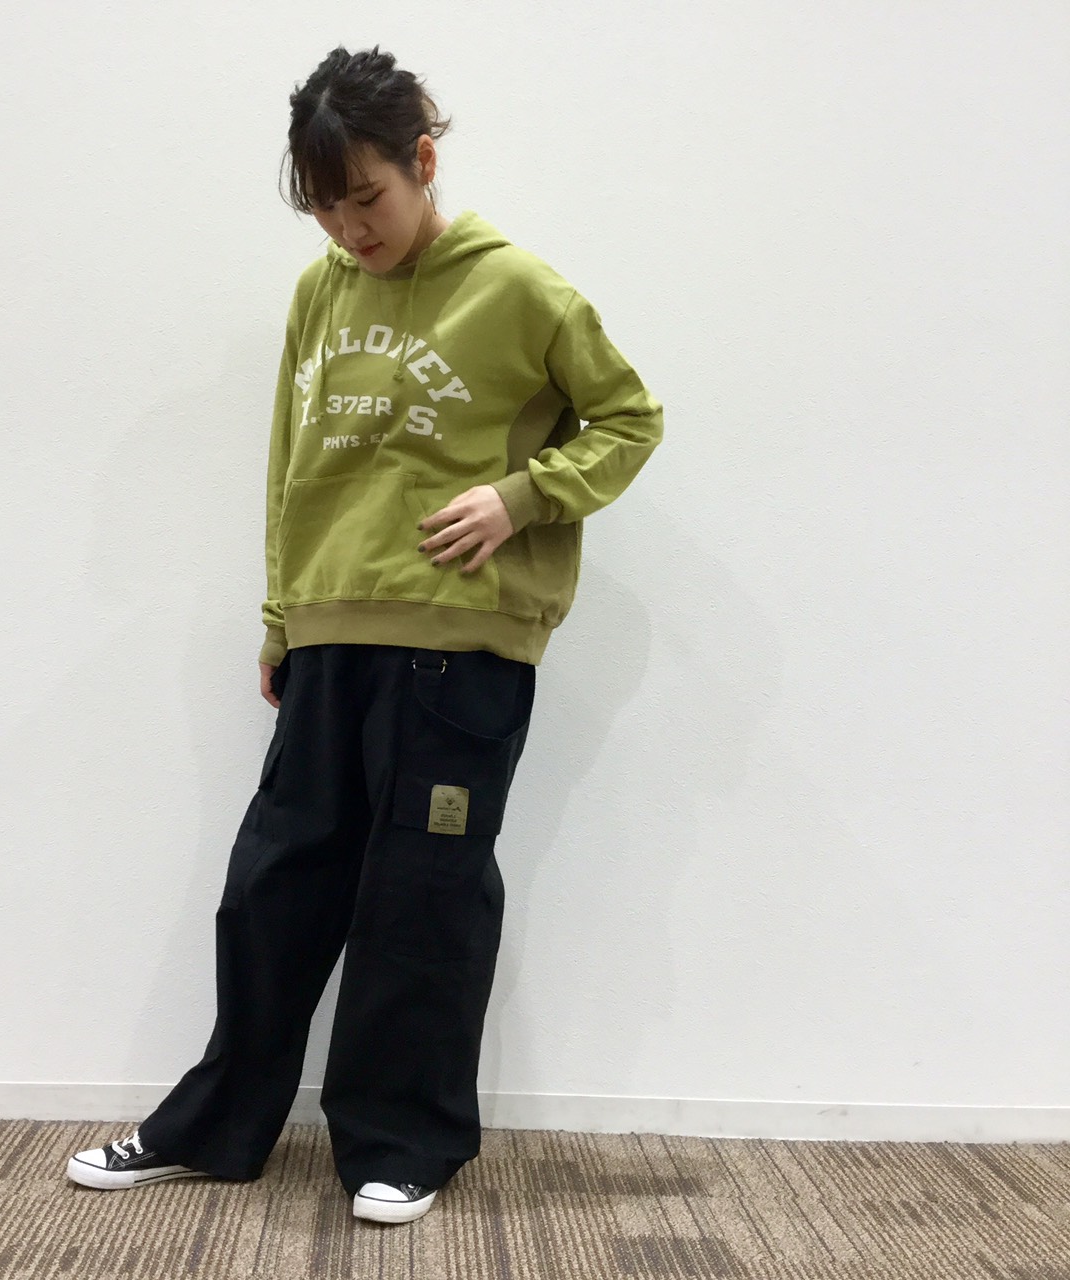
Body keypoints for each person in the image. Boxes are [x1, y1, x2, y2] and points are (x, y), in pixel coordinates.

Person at [65, 44, 664, 1225]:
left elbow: (628, 417)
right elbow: (291, 466)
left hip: (464, 645)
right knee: (273, 884)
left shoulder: (517, 288)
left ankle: (401, 1139)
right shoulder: (319, 292)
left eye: (365, 197)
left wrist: (520, 498)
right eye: (324, 208)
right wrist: (281, 615)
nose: (348, 228)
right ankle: (217, 1123)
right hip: (331, 635)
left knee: (421, 895)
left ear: (422, 161)